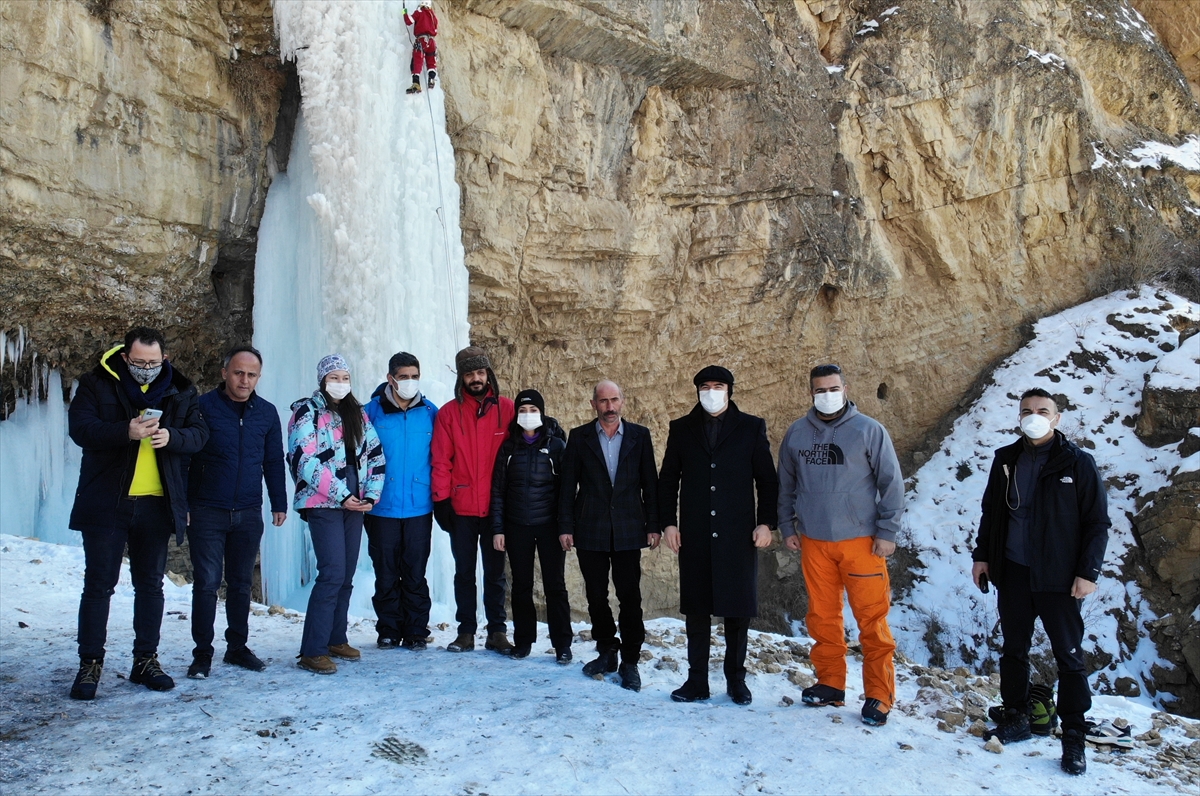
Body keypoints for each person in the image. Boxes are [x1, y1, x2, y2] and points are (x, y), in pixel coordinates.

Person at [972, 388, 1109, 776]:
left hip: (1059, 578)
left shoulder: (1077, 463)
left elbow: (1097, 522)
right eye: (1027, 411)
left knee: (1069, 655)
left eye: (1043, 411)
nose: (1035, 416)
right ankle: (1016, 715)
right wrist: (982, 556)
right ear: (1019, 416)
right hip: (1013, 571)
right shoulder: (1006, 460)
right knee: (1014, 647)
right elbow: (991, 513)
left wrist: (1088, 572)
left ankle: (1074, 736)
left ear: (1057, 418)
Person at [67, 326, 209, 700]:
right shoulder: (96, 383)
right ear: (126, 357)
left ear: (164, 358)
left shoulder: (180, 388)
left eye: (153, 362)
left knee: (150, 586)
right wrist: (124, 432)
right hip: (107, 502)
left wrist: (171, 438)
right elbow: (80, 429)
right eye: (139, 362)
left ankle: (145, 660)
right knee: (99, 585)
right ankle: (90, 664)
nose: (146, 368)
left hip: (157, 503)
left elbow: (199, 434)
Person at [777, 363, 903, 726]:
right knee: (822, 616)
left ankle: (879, 694)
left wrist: (888, 532)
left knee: (872, 620)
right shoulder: (797, 434)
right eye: (820, 390)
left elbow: (891, 484)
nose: (827, 395)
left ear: (845, 389)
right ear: (810, 393)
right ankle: (830, 682)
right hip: (814, 540)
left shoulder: (869, 430)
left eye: (833, 388)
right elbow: (786, 484)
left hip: (861, 541)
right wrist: (787, 526)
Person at [658, 366, 777, 706]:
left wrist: (766, 523)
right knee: (696, 611)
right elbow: (668, 480)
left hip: (738, 533)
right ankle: (696, 681)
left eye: (718, 386)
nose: (712, 391)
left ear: (730, 390)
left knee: (737, 611)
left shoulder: (751, 427)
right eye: (705, 386)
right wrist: (668, 523)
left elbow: (767, 480)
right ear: (697, 391)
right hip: (694, 532)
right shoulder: (681, 429)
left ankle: (736, 681)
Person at [185, 345, 288, 679]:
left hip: (247, 510)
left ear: (259, 376)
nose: (245, 380)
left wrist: (279, 502)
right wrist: (183, 503)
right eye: (239, 373)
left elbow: (273, 460)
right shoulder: (200, 408)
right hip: (206, 510)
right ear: (224, 372)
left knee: (241, 583)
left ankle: (237, 648)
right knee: (206, 583)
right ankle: (202, 654)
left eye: (252, 374)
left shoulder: (267, 413)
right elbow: (185, 457)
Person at [287, 354, 386, 675]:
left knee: (345, 575)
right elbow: (304, 459)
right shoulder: (307, 411)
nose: (341, 383)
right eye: (335, 377)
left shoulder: (357, 413)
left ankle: (335, 638)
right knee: (331, 572)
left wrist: (370, 494)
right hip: (324, 502)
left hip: (355, 504)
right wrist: (342, 495)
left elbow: (375, 454)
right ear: (322, 380)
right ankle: (312, 650)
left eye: (345, 377)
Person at [559, 380, 659, 692]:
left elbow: (650, 484)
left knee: (630, 596)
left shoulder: (640, 436)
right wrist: (565, 526)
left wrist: (654, 525)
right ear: (593, 404)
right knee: (595, 594)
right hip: (591, 526)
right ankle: (607, 650)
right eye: (603, 401)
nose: (609, 407)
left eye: (614, 400)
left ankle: (630, 659)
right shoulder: (579, 437)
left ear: (623, 402)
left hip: (630, 527)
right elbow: (567, 487)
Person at [431, 346, 516, 654]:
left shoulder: (507, 409)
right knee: (464, 572)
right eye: (470, 374)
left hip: (496, 509)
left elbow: (524, 445)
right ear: (461, 378)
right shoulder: (448, 414)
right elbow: (441, 460)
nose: (476, 379)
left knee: (495, 573)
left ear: (488, 374)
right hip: (462, 508)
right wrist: (441, 501)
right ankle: (465, 632)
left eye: (480, 372)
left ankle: (497, 632)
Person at [490, 389, 572, 663]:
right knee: (521, 586)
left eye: (533, 410)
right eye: (523, 411)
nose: (528, 416)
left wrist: (565, 527)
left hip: (549, 527)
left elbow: (566, 491)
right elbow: (498, 491)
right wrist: (498, 529)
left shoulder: (557, 446)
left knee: (555, 586)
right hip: (516, 526)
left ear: (542, 412)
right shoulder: (509, 448)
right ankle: (523, 641)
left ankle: (562, 644)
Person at [364, 352, 438, 651]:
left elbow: (440, 457)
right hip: (382, 505)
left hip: (419, 504)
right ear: (390, 378)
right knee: (385, 570)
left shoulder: (430, 412)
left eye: (414, 376)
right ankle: (389, 629)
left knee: (415, 571)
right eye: (404, 376)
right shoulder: (370, 412)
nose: (410, 382)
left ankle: (417, 630)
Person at [403, 0, 438, 94]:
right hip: (431, 42)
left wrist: (404, 12)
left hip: (422, 40)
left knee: (417, 60)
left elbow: (409, 21)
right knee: (431, 62)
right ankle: (431, 79)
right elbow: (435, 29)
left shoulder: (419, 12)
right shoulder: (433, 16)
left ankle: (416, 83)